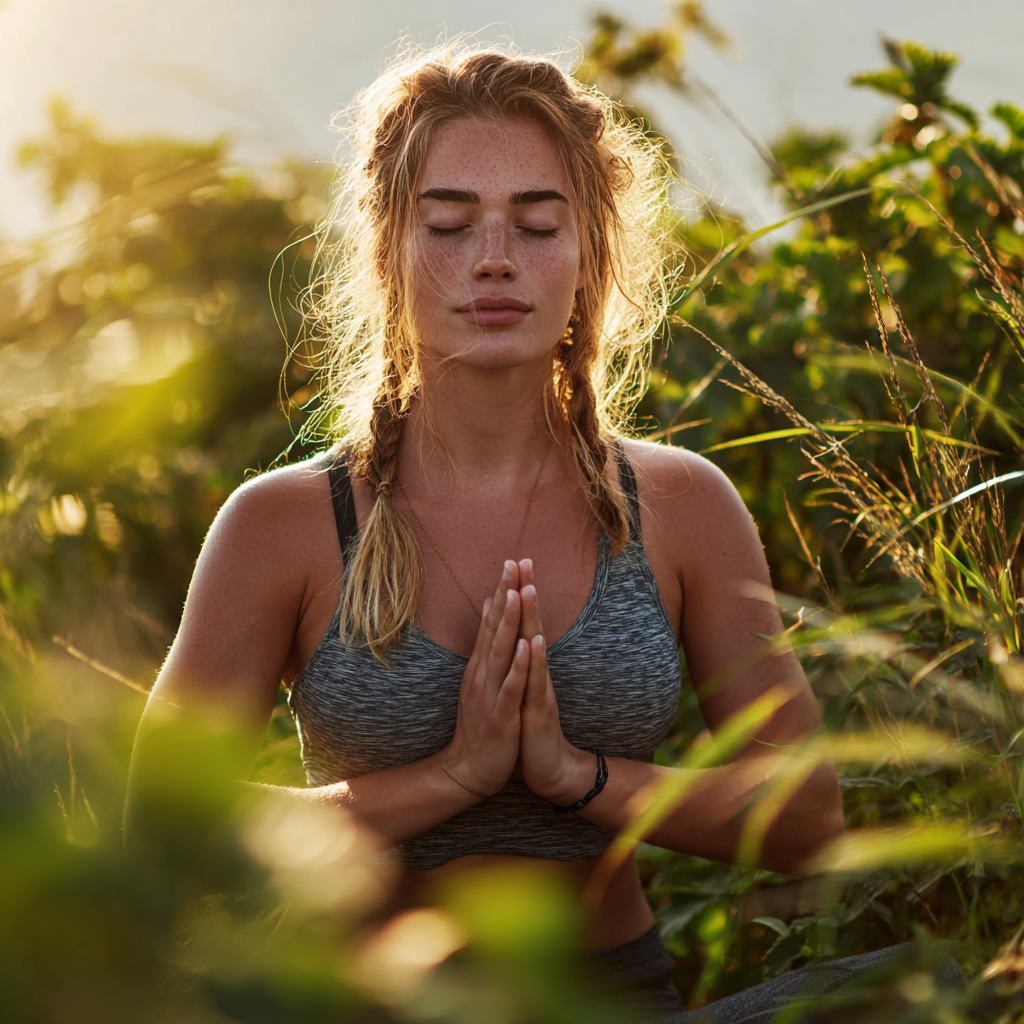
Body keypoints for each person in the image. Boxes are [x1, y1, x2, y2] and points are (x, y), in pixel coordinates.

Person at [127, 45, 911, 1023]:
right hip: (363, 1002)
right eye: (450, 223)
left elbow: (807, 820)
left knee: (918, 992)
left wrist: (575, 777)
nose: (493, 257)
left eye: (537, 224)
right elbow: (162, 824)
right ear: (388, 248)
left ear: (588, 254)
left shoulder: (680, 505)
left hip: (611, 997)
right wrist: (447, 776)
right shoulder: (282, 523)